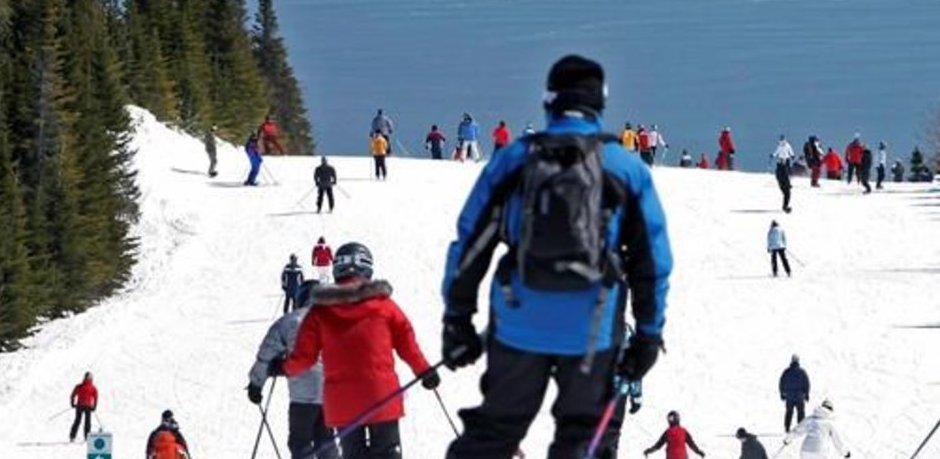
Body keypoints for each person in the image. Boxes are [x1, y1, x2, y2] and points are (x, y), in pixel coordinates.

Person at [441, 54, 674, 459]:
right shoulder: (624, 166)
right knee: (584, 439)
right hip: (593, 329)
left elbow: (471, 242)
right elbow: (651, 261)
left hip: (518, 321)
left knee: (495, 431)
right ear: (600, 103)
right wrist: (649, 335)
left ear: (549, 100)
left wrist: (457, 317)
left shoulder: (515, 159)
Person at [285, 243, 438, 459]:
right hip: (382, 398)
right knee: (387, 453)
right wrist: (424, 371)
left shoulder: (321, 311)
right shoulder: (385, 305)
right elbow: (406, 341)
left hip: (342, 403)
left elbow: (304, 357)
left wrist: (282, 367)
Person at [250, 279, 338, 459]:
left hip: (302, 395)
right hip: (330, 393)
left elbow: (266, 354)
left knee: (300, 441)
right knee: (325, 438)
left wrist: (256, 384)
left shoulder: (289, 321)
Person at [781, 401, 846, 459]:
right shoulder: (830, 423)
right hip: (820, 452)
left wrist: (787, 439)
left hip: (805, 451)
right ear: (831, 410)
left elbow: (797, 430)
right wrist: (845, 453)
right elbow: (837, 441)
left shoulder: (810, 419)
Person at [778, 356, 810, 431]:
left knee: (789, 412)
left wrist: (782, 393)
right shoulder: (802, 372)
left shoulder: (786, 372)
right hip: (800, 396)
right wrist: (807, 394)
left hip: (789, 397)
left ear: (791, 361)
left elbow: (781, 383)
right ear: (798, 361)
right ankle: (800, 428)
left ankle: (787, 428)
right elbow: (806, 383)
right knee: (800, 413)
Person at [68, 372, 99, 442]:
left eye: (89, 378)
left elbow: (73, 395)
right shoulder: (91, 388)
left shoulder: (81, 386)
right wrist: (94, 406)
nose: (88, 379)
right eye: (88, 378)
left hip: (82, 406)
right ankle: (83, 437)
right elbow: (96, 398)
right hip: (85, 406)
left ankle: (73, 436)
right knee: (84, 422)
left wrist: (72, 403)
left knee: (80, 421)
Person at [772, 135, 796, 213]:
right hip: (782, 161)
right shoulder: (779, 146)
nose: (782, 141)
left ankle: (785, 206)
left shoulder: (787, 145)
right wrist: (774, 155)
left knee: (786, 193)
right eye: (781, 140)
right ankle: (785, 206)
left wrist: (792, 155)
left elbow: (790, 150)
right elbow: (777, 152)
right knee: (787, 193)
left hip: (786, 159)